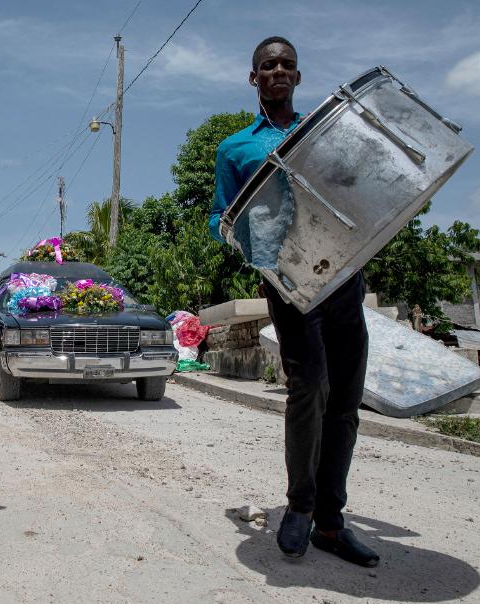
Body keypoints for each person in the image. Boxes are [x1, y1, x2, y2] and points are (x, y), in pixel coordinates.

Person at [210, 36, 378, 568]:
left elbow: (358, 193)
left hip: (345, 280)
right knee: (308, 388)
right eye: (267, 66)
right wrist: (243, 239)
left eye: (286, 65)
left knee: (347, 399)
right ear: (253, 78)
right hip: (287, 284)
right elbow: (222, 218)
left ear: (298, 77)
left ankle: (331, 523)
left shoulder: (322, 133)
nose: (278, 71)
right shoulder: (235, 148)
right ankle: (299, 509)